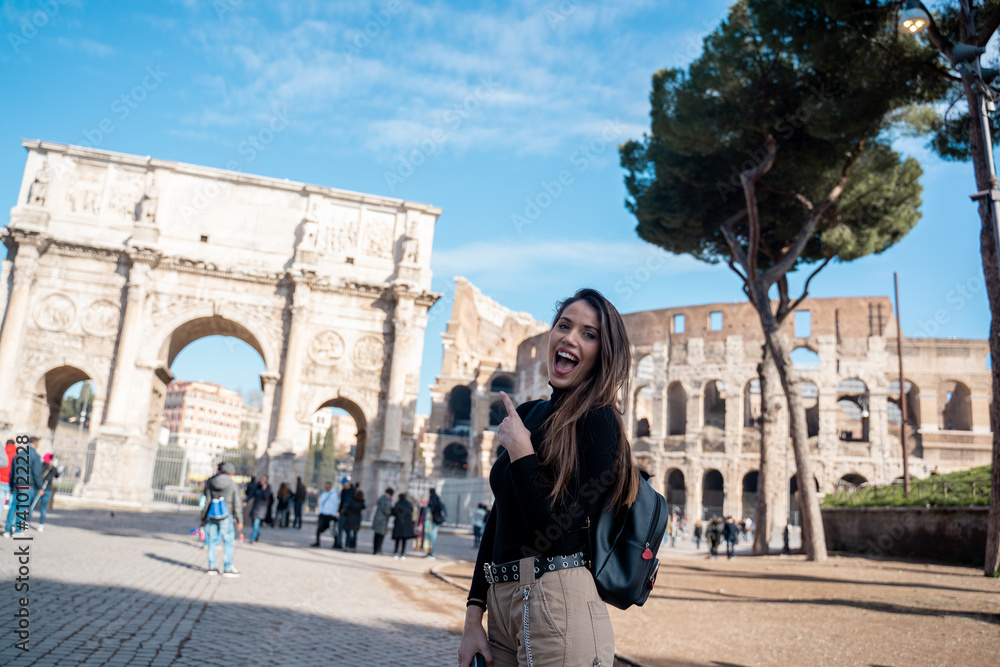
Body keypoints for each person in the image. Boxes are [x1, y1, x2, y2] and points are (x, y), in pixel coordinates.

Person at [459, 288, 639, 667]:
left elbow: (559, 532)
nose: (570, 338)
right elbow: (499, 520)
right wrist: (473, 616)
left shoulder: (600, 421)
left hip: (558, 600)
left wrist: (522, 452)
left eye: (589, 334)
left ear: (602, 354)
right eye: (564, 325)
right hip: (501, 604)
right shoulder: (527, 413)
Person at [200, 462, 243, 577]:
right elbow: (237, 503)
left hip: (213, 514)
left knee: (211, 541)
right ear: (231, 473)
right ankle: (227, 568)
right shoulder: (232, 484)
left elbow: (207, 501)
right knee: (228, 541)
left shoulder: (212, 482)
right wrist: (239, 519)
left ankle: (212, 567)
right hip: (226, 515)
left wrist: (203, 517)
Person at [4, 436, 44, 537]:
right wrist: (40, 487)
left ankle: (7, 530)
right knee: (22, 509)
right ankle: (17, 531)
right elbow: (37, 473)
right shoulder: (35, 456)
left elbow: (12, 471)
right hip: (27, 485)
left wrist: (10, 485)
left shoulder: (18, 454)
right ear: (35, 443)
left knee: (12, 507)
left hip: (16, 485)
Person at [30, 453, 60, 532]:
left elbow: (36, 476)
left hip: (39, 488)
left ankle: (26, 522)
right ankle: (41, 525)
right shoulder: (52, 468)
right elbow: (57, 475)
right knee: (42, 508)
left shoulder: (40, 466)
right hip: (47, 489)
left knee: (32, 506)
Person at [311, 481, 339, 548]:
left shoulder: (334, 494)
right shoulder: (324, 494)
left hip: (330, 515)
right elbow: (321, 504)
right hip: (323, 514)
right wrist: (320, 512)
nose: (327, 488)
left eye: (328, 486)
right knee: (319, 529)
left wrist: (333, 514)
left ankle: (336, 542)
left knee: (332, 530)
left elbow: (335, 505)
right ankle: (317, 542)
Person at [391, 492, 416, 559]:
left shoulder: (398, 503)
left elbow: (393, 512)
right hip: (406, 524)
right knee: (404, 540)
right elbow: (411, 512)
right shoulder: (409, 504)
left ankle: (396, 553)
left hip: (399, 523)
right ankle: (403, 553)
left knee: (397, 539)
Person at [248, 476, 272, 543]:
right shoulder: (257, 487)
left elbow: (267, 497)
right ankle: (257, 535)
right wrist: (245, 501)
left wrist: (264, 489)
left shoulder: (267, 488)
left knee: (256, 524)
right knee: (253, 524)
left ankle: (252, 538)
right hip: (255, 507)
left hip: (261, 508)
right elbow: (251, 494)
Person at [372, 487, 394, 555]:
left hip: (377, 518)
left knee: (376, 535)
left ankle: (375, 550)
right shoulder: (387, 501)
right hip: (383, 520)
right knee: (381, 536)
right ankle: (378, 550)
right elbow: (387, 511)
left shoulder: (381, 498)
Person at [425, 488, 445, 558]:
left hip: (434, 520)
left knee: (432, 537)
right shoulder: (437, 498)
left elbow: (432, 509)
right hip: (437, 520)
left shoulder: (432, 499)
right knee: (433, 536)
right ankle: (430, 552)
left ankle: (432, 553)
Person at [335, 476, 354, 549]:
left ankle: (349, 543)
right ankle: (339, 543)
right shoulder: (343, 491)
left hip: (349, 514)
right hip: (342, 513)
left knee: (347, 530)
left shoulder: (353, 491)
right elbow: (342, 502)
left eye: (343, 484)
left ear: (347, 483)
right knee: (340, 528)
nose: (343, 485)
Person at [0, 439, 15, 531]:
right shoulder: (17, 455)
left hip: (1, 480)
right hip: (11, 481)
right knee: (12, 504)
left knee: (0, 502)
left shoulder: (3, 452)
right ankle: (11, 524)